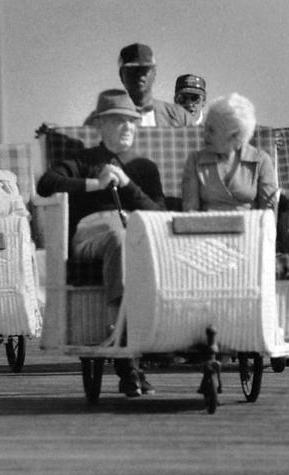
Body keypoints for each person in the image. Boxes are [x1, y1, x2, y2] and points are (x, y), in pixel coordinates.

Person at [37, 89, 166, 397]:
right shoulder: (83, 160)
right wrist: (96, 183)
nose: (127, 126)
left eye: (132, 121)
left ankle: (153, 338)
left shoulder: (144, 167)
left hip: (136, 233)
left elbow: (160, 214)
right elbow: (46, 184)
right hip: (93, 234)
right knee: (120, 238)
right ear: (99, 125)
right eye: (119, 120)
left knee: (140, 241)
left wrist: (128, 184)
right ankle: (123, 353)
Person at [182, 93, 278, 212]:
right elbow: (190, 210)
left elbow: (269, 211)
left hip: (249, 222)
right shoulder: (195, 160)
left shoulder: (260, 161)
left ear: (234, 136)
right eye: (205, 127)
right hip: (207, 223)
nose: (205, 135)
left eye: (211, 130)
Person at [85, 43, 193, 127]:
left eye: (145, 69)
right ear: (121, 75)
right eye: (132, 70)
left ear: (154, 73)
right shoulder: (99, 119)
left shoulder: (180, 117)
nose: (139, 74)